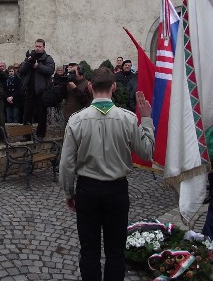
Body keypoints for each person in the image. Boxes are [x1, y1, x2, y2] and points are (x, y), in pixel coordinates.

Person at [59, 67, 155, 281]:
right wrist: (147, 119)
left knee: (89, 250)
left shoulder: (77, 119)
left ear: (90, 86)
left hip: (87, 190)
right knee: (115, 251)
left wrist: (68, 192)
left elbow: (66, 163)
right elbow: (147, 152)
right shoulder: (128, 118)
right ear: (114, 86)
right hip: (116, 191)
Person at [19, 39, 55, 139]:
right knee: (27, 114)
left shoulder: (47, 58)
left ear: (44, 47)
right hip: (30, 90)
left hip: (42, 91)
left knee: (42, 114)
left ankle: (40, 135)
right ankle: (26, 135)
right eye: (36, 46)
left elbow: (50, 70)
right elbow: (21, 70)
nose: (37, 48)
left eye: (40, 46)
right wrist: (28, 61)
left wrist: (37, 65)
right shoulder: (30, 56)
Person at [63, 62, 92, 127]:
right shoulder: (69, 84)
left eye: (73, 72)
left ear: (80, 72)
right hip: (68, 117)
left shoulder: (87, 84)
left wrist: (75, 89)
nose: (71, 74)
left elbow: (85, 100)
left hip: (81, 119)